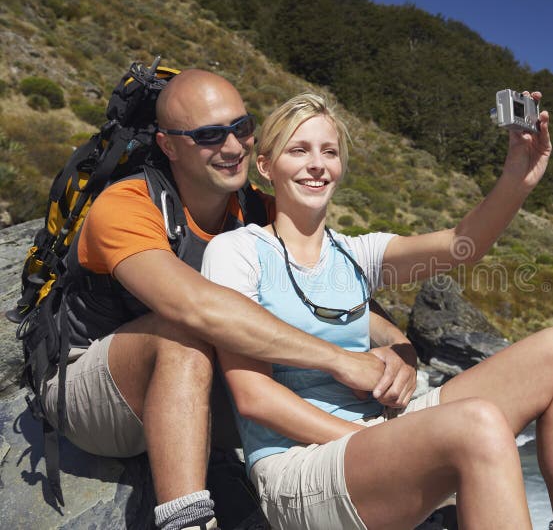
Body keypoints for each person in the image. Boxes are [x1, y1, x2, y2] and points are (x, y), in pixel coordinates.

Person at [202, 92, 553, 529]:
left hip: (378, 436)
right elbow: (253, 397)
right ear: (266, 166)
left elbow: (460, 246)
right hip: (296, 466)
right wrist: (380, 439)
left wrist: (516, 178)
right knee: (476, 423)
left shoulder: (358, 254)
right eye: (298, 151)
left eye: (329, 152)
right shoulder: (236, 252)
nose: (317, 164)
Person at [40, 70, 416, 530]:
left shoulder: (255, 209)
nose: (234, 146)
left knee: (271, 368)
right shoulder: (128, 206)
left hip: (195, 390)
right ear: (169, 145)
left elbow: (333, 282)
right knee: (185, 333)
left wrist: (400, 347)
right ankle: (188, 521)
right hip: (92, 386)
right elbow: (195, 309)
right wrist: (341, 360)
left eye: (242, 127)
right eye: (209, 136)